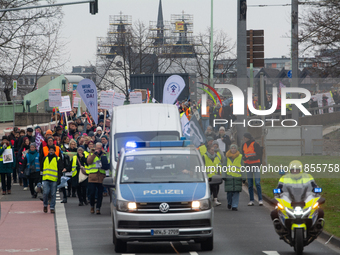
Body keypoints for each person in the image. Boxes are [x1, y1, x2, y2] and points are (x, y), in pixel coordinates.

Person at [86, 142, 109, 214]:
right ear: (95, 148)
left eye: (100, 148)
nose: (99, 149)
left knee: (100, 194)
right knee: (92, 193)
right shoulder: (91, 153)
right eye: (97, 148)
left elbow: (107, 164)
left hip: (101, 176)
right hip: (92, 177)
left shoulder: (104, 154)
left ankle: (98, 207)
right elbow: (89, 161)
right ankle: (92, 206)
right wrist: (94, 154)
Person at [41, 145, 65, 213]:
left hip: (54, 179)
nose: (51, 151)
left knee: (53, 194)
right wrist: (40, 179)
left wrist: (59, 178)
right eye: (50, 150)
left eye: (52, 150)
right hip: (45, 178)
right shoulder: (45, 158)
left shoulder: (58, 159)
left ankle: (52, 207)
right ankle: (45, 205)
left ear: (55, 151)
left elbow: (60, 169)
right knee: (45, 193)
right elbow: (41, 169)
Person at [241, 132, 263, 206]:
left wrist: (250, 158)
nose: (244, 139)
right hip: (248, 165)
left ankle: (260, 199)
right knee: (250, 184)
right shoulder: (243, 145)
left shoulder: (255, 144)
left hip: (255, 165)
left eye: (245, 137)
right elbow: (243, 154)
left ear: (248, 138)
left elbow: (259, 155)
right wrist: (244, 158)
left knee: (257, 183)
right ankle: (251, 200)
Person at [222, 144, 245, 211]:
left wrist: (244, 177)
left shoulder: (240, 156)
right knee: (229, 192)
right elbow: (224, 167)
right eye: (232, 148)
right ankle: (229, 203)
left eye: (234, 148)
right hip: (229, 177)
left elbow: (242, 168)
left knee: (236, 192)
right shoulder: (226, 157)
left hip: (237, 177)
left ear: (236, 149)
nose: (233, 149)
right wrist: (223, 175)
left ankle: (234, 205)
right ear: (230, 149)